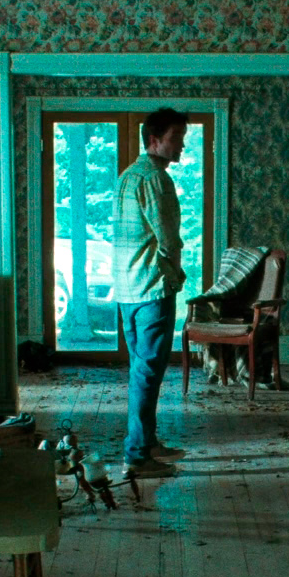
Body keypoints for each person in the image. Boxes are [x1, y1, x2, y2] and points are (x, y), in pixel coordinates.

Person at [113, 107, 190, 479]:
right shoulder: (157, 180)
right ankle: (137, 457)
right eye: (176, 138)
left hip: (126, 288)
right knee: (147, 374)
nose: (181, 145)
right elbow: (169, 239)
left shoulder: (128, 176)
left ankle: (146, 443)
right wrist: (176, 274)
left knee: (141, 371)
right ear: (154, 140)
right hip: (150, 288)